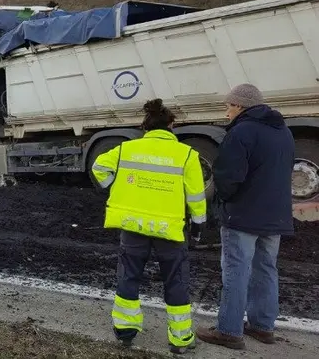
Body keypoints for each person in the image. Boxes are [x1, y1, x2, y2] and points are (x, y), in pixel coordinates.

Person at [90, 98, 206, 355]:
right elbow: (196, 196)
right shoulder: (186, 155)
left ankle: (126, 330)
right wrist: (198, 226)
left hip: (133, 226)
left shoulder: (126, 149)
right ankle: (180, 339)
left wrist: (113, 187)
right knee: (175, 281)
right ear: (171, 125)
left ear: (146, 127)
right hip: (170, 230)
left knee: (129, 275)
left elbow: (98, 167)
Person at [196, 84, 295, 350]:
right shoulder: (283, 132)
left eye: (228, 106)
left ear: (240, 106)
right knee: (266, 269)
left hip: (243, 215)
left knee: (236, 271)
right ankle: (263, 327)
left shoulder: (241, 132)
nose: (226, 111)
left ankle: (229, 331)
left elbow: (229, 176)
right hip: (275, 215)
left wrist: (223, 202)